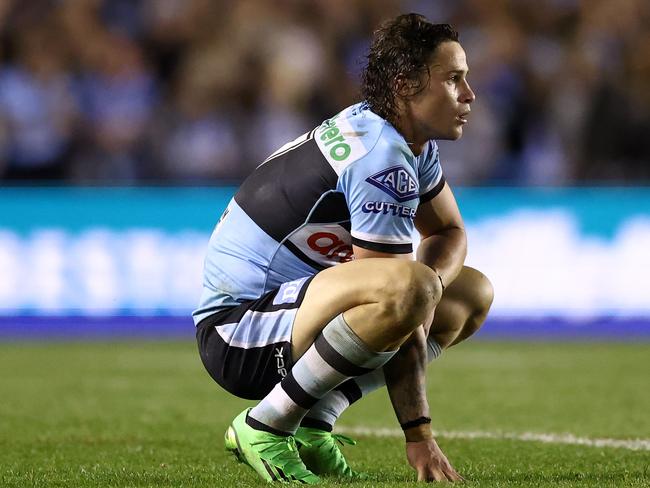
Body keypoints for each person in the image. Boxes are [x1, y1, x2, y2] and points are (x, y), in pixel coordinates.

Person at [194, 13, 493, 484]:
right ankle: (266, 424)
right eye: (454, 80)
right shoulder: (380, 156)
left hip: (293, 312)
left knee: (469, 294)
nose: (469, 94)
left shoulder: (405, 139)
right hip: (238, 334)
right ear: (406, 85)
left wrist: (431, 288)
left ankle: (315, 421)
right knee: (409, 289)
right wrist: (419, 433)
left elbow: (449, 232)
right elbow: (399, 294)